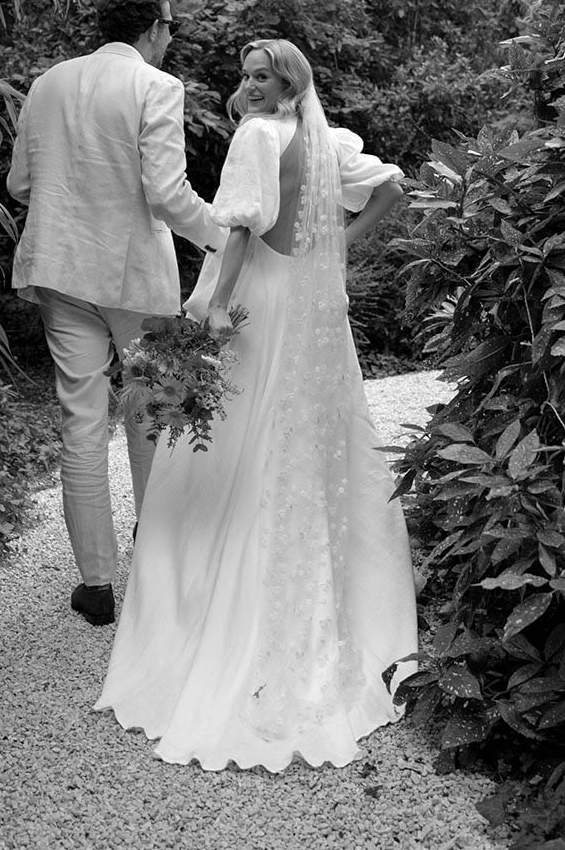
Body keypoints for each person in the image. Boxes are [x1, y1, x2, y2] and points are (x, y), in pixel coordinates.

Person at [95, 39, 418, 771]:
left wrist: (209, 307)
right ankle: (335, 600)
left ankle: (226, 611)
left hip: (266, 299)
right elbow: (393, 187)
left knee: (240, 436)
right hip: (316, 304)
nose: (246, 85)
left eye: (259, 75)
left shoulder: (255, 136)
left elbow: (238, 229)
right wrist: (335, 247)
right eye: (243, 74)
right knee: (313, 429)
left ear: (286, 81)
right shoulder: (326, 138)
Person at [7, 0, 218, 627]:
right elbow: (165, 193)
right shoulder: (156, 86)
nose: (170, 38)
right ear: (151, 27)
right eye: (170, 26)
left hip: (60, 269)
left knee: (80, 420)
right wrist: (223, 237)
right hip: (131, 274)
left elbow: (20, 182)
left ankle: (95, 586)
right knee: (150, 413)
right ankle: (152, 561)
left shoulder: (47, 84)